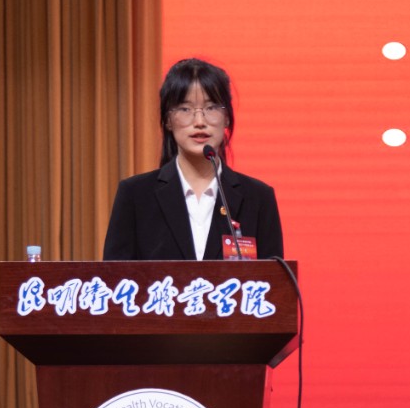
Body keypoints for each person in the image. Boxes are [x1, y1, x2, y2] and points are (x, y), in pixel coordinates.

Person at [103, 58, 284, 261]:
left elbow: (273, 279)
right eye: (185, 109)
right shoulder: (135, 196)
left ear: (227, 117)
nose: (199, 122)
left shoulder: (258, 199)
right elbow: (115, 278)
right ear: (168, 120)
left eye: (211, 108)